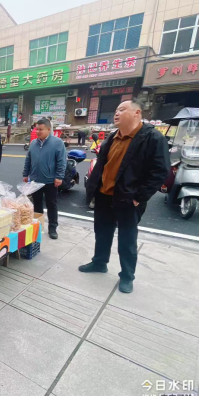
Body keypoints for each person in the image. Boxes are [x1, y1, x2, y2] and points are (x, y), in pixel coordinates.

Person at [79, 99, 170, 294]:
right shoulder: (113, 136)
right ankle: (99, 263)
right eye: (116, 110)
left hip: (128, 199)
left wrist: (140, 196)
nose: (116, 113)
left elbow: (160, 171)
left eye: (122, 109)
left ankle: (127, 276)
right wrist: (93, 189)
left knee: (127, 240)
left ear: (137, 113)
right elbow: (102, 165)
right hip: (104, 195)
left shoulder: (152, 138)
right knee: (102, 233)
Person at [23, 118, 66, 240]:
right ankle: (39, 226)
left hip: (50, 181)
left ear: (48, 129)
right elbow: (28, 160)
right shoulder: (33, 143)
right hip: (35, 180)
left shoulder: (57, 143)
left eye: (41, 129)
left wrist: (59, 177)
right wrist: (26, 174)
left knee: (52, 205)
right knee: (37, 204)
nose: (38, 132)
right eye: (37, 129)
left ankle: (52, 228)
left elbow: (61, 161)